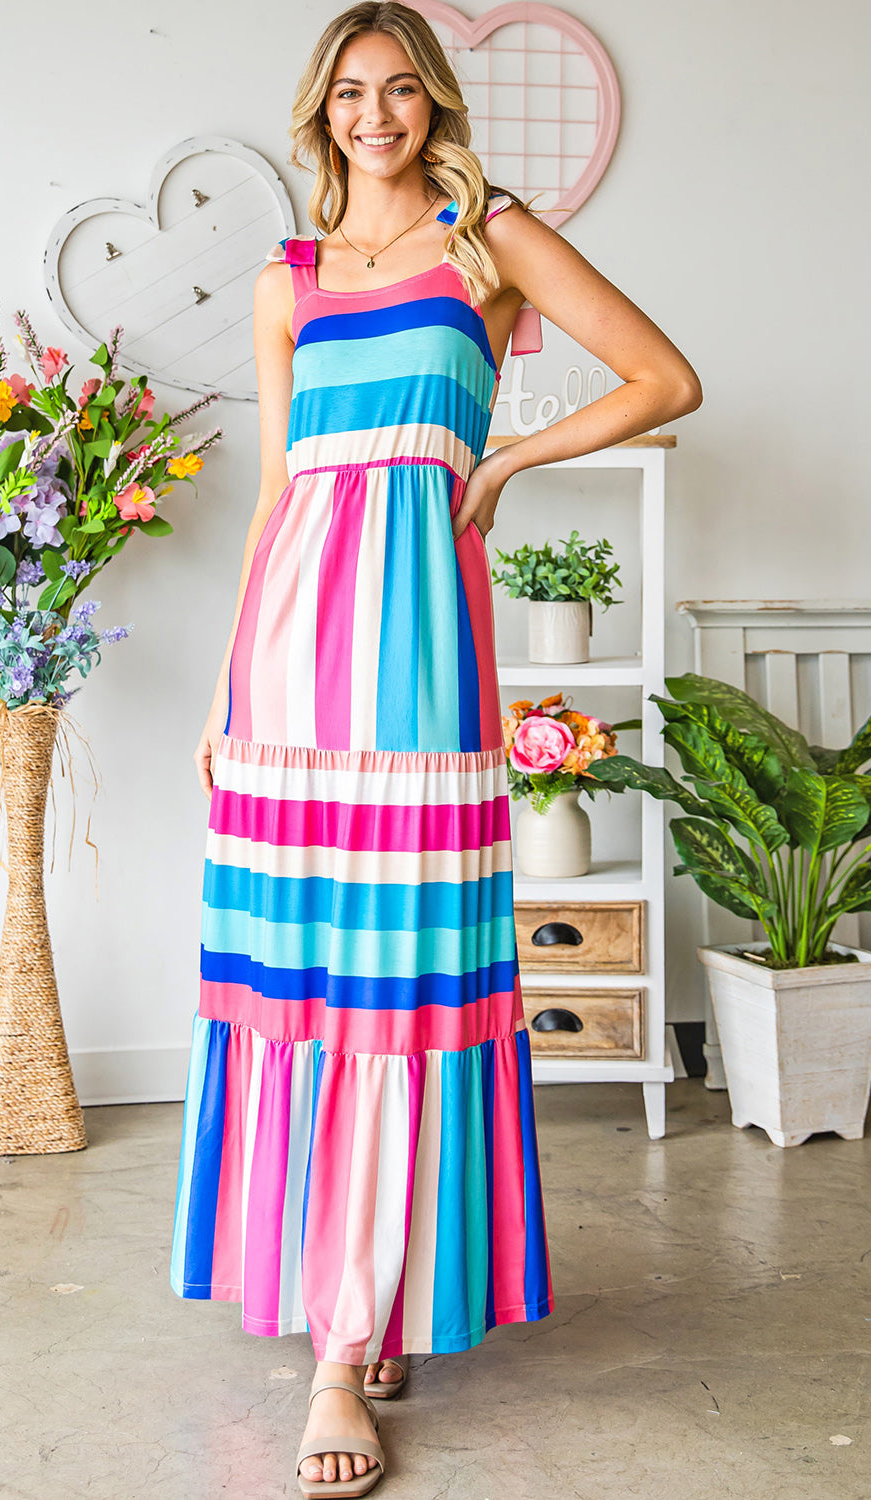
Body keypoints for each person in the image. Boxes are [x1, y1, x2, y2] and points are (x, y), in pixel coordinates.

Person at [170, 3, 703, 1494]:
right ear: (320, 114)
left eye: (402, 88)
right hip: (288, 669)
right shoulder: (286, 280)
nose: (377, 113)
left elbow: (664, 377)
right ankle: (347, 1326)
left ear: (436, 105)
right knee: (307, 975)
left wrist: (510, 454)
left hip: (416, 664)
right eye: (351, 91)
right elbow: (276, 496)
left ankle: (353, 1332)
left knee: (395, 978)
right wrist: (222, 692)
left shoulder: (487, 243)